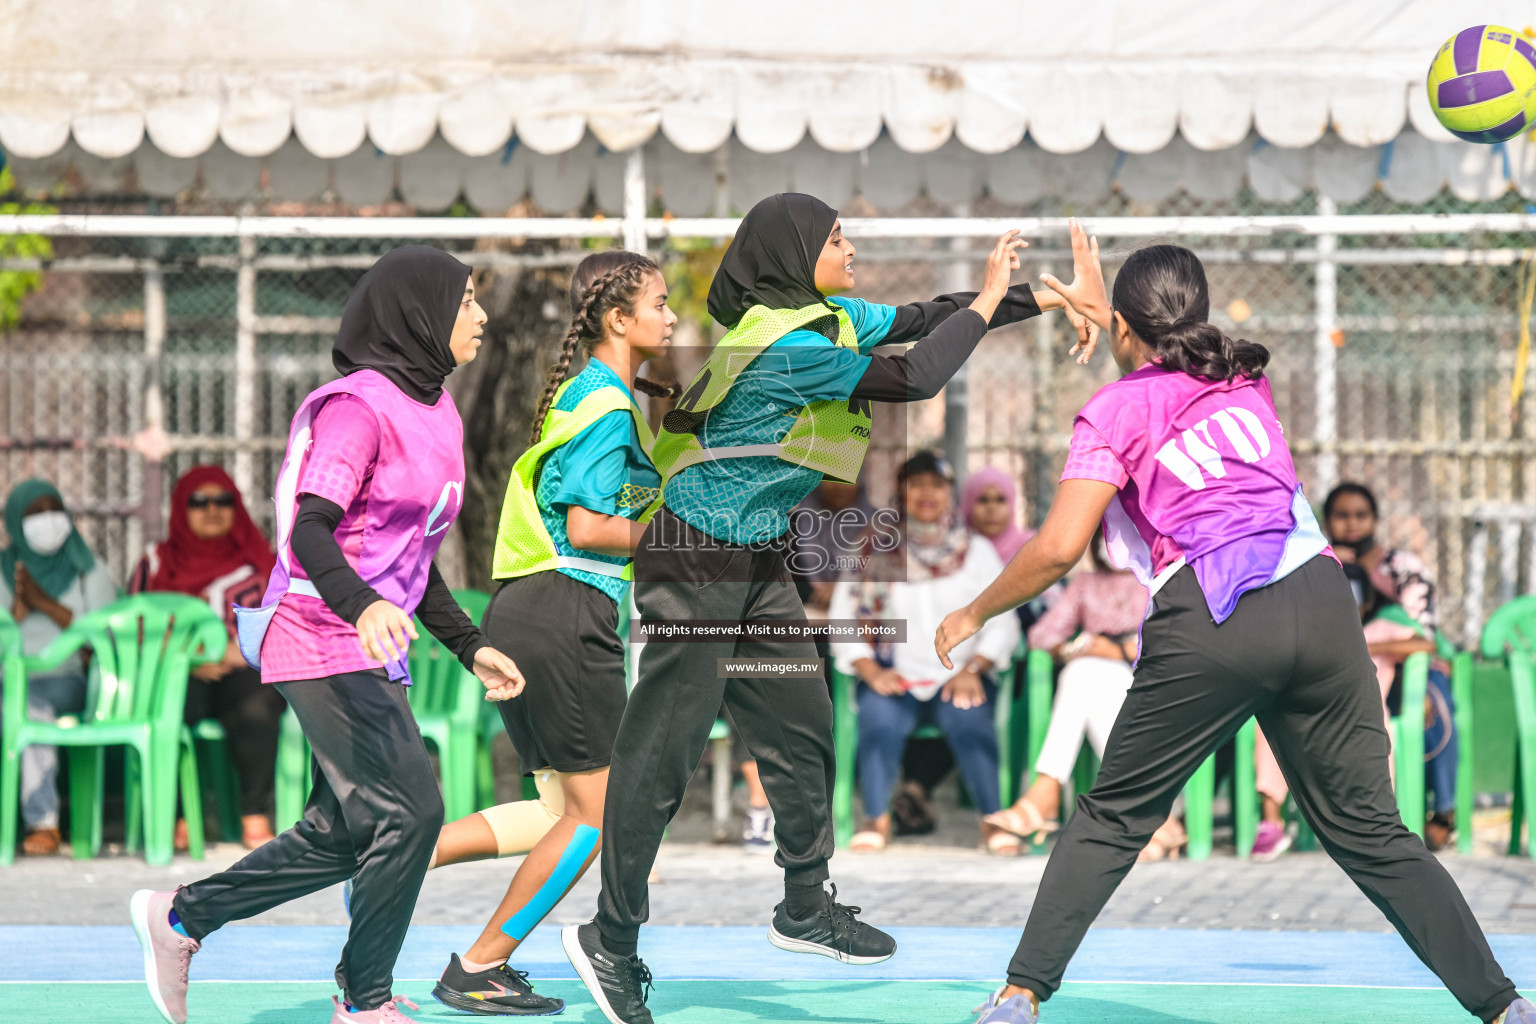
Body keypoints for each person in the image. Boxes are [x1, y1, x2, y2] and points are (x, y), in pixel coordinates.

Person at [936, 222, 1531, 1024]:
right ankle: (1504, 1007)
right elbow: (1170, 358)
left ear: (1121, 326)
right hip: (1323, 604)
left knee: (1115, 817)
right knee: (1372, 833)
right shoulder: (1246, 382)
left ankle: (1019, 995)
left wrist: (973, 610)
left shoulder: (1115, 409)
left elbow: (1059, 549)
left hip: (1216, 610)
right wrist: (1108, 312)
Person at [565, 192, 1094, 1024]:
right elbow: (917, 376)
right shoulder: (781, 347)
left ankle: (805, 905)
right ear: (794, 253)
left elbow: (930, 317)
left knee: (804, 722)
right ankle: (612, 936)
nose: (851, 249)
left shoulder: (827, 316)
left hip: (755, 550)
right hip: (695, 552)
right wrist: (992, 298)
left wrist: (1047, 294)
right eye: (837, 238)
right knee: (663, 753)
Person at [130, 246, 528, 1024]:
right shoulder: (356, 407)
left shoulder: (434, 408)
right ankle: (365, 999)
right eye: (468, 300)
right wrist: (362, 606)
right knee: (409, 812)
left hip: (361, 636)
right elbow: (310, 529)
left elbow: (412, 558)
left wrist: (469, 645)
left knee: (341, 832)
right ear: (421, 312)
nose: (481, 315)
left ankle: (181, 918)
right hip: (316, 630)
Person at [416, 249, 672, 1015]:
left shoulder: (587, 393)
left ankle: (397, 856)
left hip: (534, 612)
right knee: (599, 816)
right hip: (565, 615)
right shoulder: (606, 405)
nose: (670, 317)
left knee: (564, 815)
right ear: (618, 319)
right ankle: (480, 965)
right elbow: (593, 527)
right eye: (659, 303)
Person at [1252, 480, 1462, 856]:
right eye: (1342, 516)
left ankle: (1443, 812)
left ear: (1375, 519)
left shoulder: (1399, 565)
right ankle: (1275, 820)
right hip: (1325, 662)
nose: (1352, 524)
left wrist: (1368, 587)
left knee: (1433, 699)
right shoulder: (1313, 561)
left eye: (1360, 516)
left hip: (1401, 662)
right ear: (1327, 520)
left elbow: (1421, 632)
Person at [829, 451, 1021, 854]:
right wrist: (869, 670)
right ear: (901, 491)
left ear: (949, 492)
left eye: (936, 485)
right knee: (879, 719)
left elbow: (1003, 622)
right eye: (916, 485)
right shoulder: (871, 547)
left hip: (960, 675)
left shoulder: (976, 550)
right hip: (894, 675)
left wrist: (975, 668)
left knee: (970, 719)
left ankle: (992, 821)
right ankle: (876, 819)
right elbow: (843, 619)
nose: (926, 494)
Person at [984, 539, 1187, 862]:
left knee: (1083, 675)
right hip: (1095, 676)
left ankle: (1044, 795)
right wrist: (1072, 649)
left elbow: (1180, 638)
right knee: (1083, 671)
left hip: (1151, 678)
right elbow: (1041, 634)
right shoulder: (1086, 583)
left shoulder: (1161, 578)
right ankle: (1157, 813)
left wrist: (1120, 650)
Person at [128, 465, 285, 850]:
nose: (212, 509)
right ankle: (178, 816)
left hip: (240, 670)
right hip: (178, 671)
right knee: (171, 705)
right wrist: (188, 657)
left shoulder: (259, 563)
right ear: (182, 507)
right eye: (199, 501)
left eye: (223, 500)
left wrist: (239, 651)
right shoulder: (155, 563)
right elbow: (134, 627)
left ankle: (254, 816)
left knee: (259, 702)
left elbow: (285, 626)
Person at [0, 479, 116, 856]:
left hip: (68, 682)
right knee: (15, 698)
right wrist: (17, 612)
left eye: (54, 509)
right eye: (35, 513)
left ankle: (43, 821)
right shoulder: (4, 570)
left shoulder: (88, 570)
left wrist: (45, 603)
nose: (47, 520)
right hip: (8, 680)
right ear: (16, 521)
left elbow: (107, 641)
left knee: (28, 702)